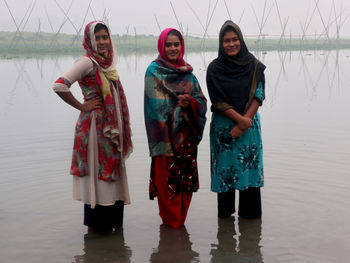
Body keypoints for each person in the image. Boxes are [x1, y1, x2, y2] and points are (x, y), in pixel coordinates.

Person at [53, 21, 133, 233]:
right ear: (89, 40)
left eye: (105, 37)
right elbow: (59, 84)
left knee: (110, 174)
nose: (102, 42)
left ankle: (111, 236)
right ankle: (97, 228)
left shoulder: (107, 66)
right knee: (99, 176)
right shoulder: (87, 62)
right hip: (95, 128)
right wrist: (82, 105)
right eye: (97, 38)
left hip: (109, 128)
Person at [144, 28, 207, 229]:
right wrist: (178, 110)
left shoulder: (189, 75)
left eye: (176, 44)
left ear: (182, 46)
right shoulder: (153, 72)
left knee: (185, 186)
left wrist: (191, 103)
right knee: (168, 188)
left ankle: (177, 241)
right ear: (162, 46)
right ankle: (172, 227)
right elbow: (155, 108)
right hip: (165, 141)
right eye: (168, 44)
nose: (173, 48)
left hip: (186, 141)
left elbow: (202, 102)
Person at [206, 20, 266, 219]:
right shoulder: (214, 69)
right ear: (221, 44)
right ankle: (225, 230)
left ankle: (250, 238)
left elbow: (259, 95)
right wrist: (239, 121)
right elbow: (217, 99)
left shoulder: (255, 66)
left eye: (235, 39)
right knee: (226, 178)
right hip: (225, 130)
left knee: (248, 177)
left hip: (248, 129)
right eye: (226, 40)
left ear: (241, 40)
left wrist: (244, 122)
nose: (231, 44)